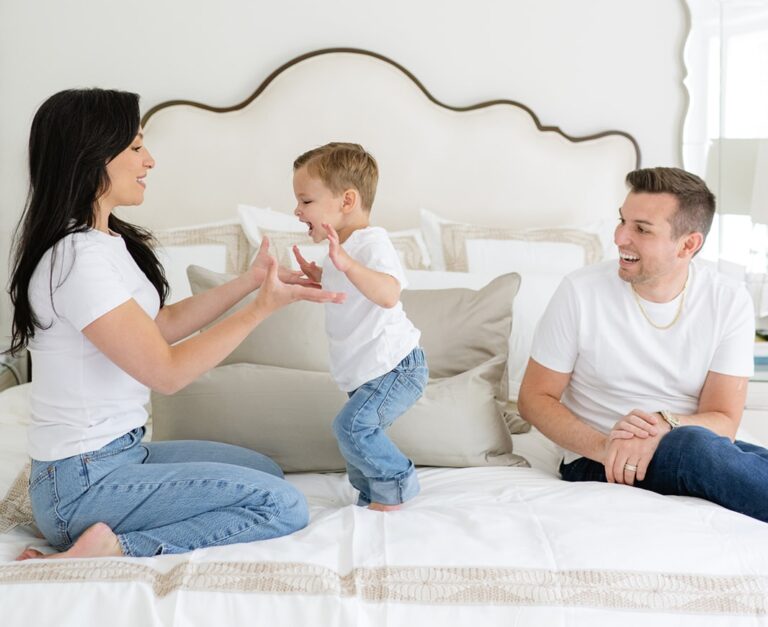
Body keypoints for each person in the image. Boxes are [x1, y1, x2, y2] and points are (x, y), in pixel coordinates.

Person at [6, 88, 346, 560]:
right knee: (281, 505)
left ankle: (113, 529)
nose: (150, 161)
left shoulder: (105, 242)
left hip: (120, 456)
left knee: (263, 469)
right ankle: (112, 548)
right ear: (93, 155)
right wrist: (261, 309)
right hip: (81, 483)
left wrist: (250, 282)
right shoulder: (75, 258)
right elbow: (166, 372)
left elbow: (159, 326)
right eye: (136, 147)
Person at [517, 167, 768, 522]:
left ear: (688, 244)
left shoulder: (729, 299)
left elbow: (724, 421)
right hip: (599, 459)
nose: (620, 237)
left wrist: (665, 425)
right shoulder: (580, 290)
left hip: (689, 443)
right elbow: (533, 399)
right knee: (697, 446)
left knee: (722, 450)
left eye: (641, 229)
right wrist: (606, 447)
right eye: (622, 221)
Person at [290, 142, 428, 511]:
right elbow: (352, 291)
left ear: (346, 201)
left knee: (352, 429)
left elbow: (387, 293)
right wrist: (321, 275)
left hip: (396, 367)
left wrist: (344, 264)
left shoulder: (371, 242)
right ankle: (371, 496)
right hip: (366, 371)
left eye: (306, 201)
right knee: (356, 444)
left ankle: (396, 486)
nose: (296, 210)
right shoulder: (343, 251)